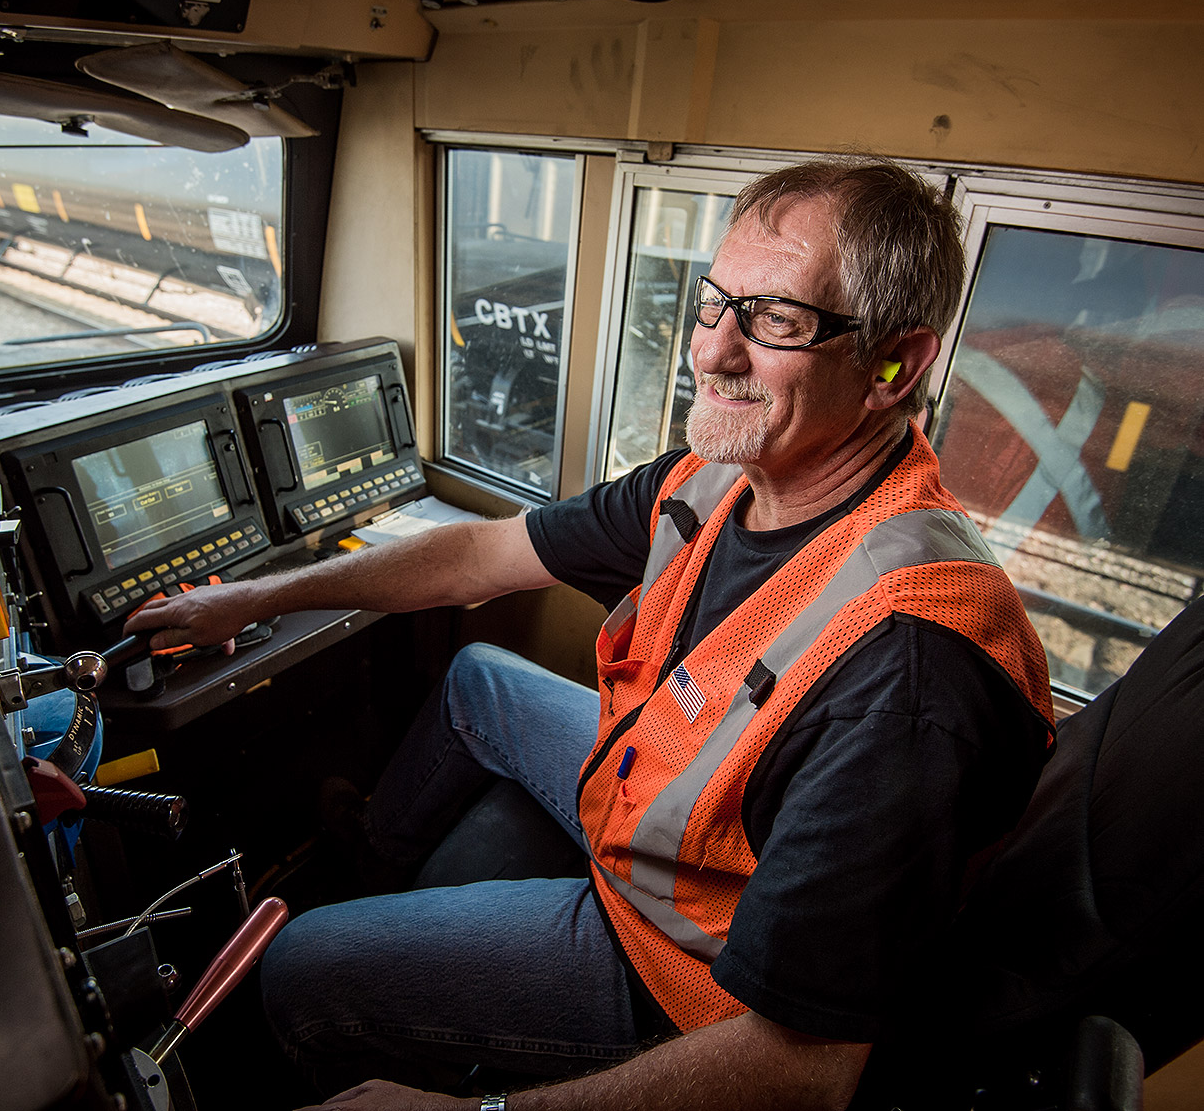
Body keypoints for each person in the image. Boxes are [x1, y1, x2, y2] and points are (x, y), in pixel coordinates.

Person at [123, 155, 1056, 1111]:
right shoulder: (712, 480)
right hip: (663, 812)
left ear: (892, 367)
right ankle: (370, 861)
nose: (714, 353)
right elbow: (476, 557)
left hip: (687, 964)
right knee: (477, 677)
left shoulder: (909, 673)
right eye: (714, 303)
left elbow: (800, 1069)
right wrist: (251, 598)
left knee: (297, 969)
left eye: (777, 321)